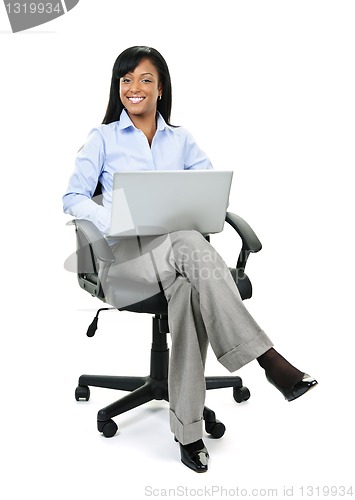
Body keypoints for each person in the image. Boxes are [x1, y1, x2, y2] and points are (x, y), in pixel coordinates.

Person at [63, 46, 317, 473]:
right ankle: (268, 359)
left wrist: (193, 209)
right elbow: (71, 197)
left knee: (186, 288)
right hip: (125, 260)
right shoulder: (102, 138)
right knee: (187, 243)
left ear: (160, 88)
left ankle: (189, 431)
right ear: (118, 87)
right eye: (126, 80)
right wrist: (112, 215)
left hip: (183, 262)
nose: (134, 88)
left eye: (145, 79)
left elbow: (212, 198)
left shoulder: (182, 141)